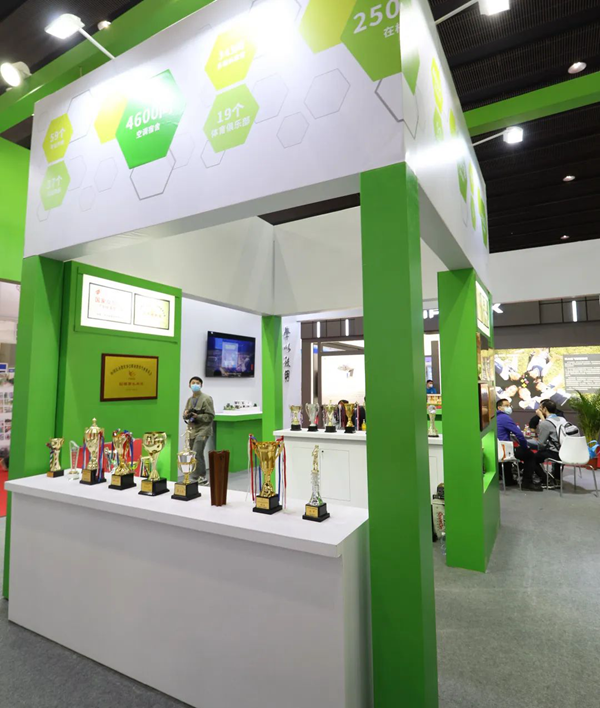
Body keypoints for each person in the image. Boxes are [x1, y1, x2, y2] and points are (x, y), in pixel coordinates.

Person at [496, 398, 542, 491]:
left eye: (509, 405)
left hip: (497, 449)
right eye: (506, 406)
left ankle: (509, 480)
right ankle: (527, 482)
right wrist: (525, 446)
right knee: (530, 455)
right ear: (499, 407)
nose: (509, 407)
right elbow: (519, 434)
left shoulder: (493, 417)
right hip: (504, 449)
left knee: (509, 456)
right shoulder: (505, 418)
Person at [182, 376, 215, 485]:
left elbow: (210, 416)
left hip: (203, 429)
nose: (195, 385)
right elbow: (185, 415)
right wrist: (186, 415)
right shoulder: (189, 400)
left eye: (197, 383)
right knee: (192, 453)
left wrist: (198, 416)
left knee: (197, 452)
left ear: (201, 385)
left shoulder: (206, 398)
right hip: (192, 429)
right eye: (193, 383)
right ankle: (194, 476)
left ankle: (201, 477)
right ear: (189, 385)